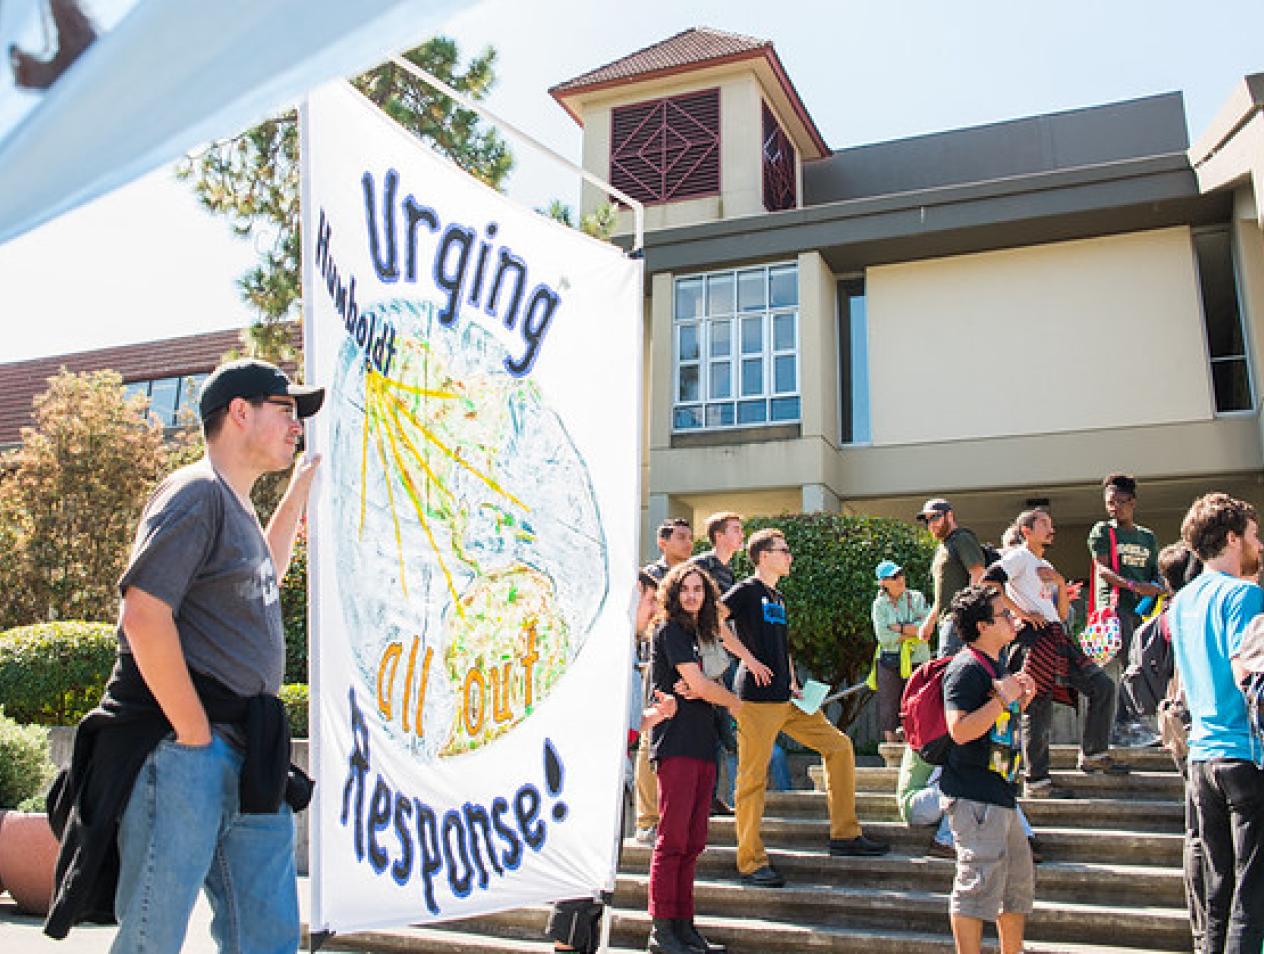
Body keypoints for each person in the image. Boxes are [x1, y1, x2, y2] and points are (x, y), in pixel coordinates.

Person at [44, 358, 324, 950]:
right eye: (287, 410)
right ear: (239, 412)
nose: (297, 424)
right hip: (187, 753)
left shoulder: (236, 506)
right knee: (154, 934)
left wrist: (300, 489)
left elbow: (266, 572)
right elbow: (143, 613)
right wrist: (194, 734)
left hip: (250, 754)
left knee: (267, 937)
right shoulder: (196, 493)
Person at [725, 528, 889, 889]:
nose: (790, 557)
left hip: (786, 698)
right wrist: (747, 659)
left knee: (839, 746)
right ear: (763, 555)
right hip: (755, 699)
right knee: (752, 780)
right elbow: (714, 620)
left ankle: (845, 834)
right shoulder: (746, 590)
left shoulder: (778, 597)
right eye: (783, 551)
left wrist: (793, 679)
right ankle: (750, 862)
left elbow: (780, 645)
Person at [548, 572, 678, 954]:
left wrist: (658, 713)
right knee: (582, 882)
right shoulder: (609, 651)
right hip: (594, 780)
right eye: (648, 601)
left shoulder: (626, 652)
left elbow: (627, 727)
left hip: (611, 776)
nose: (653, 611)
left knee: (598, 883)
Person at [1169, 493, 1264, 954]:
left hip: (1202, 759)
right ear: (1231, 538)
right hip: (1245, 756)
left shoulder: (1182, 600)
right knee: (1251, 896)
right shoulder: (1245, 595)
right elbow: (1248, 670)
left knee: (1218, 891)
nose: (1259, 545)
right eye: (1253, 535)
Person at [646, 563, 742, 954]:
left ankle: (685, 927)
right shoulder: (669, 630)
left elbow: (706, 683)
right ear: (673, 592)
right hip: (676, 743)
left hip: (704, 744)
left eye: (698, 590)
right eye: (684, 589)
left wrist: (707, 690)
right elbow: (700, 684)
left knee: (694, 840)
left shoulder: (702, 635)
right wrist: (736, 704)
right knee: (671, 841)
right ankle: (662, 929)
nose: (691, 596)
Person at [998, 509, 1128, 799]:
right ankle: (1036, 781)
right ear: (1026, 530)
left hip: (1056, 634)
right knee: (1036, 706)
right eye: (1044, 523)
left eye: (1051, 523)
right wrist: (1020, 613)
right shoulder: (1018, 556)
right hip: (1032, 638)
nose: (1051, 528)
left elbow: (1061, 612)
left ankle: (1093, 753)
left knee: (1102, 686)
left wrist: (1058, 582)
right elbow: (990, 582)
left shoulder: (1043, 562)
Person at [941, 585, 1038, 954]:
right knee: (974, 888)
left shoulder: (996, 665)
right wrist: (1002, 698)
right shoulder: (965, 668)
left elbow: (996, 725)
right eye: (1003, 615)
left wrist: (1018, 700)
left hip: (1001, 792)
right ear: (983, 626)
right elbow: (960, 730)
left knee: (1015, 888)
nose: (1013, 619)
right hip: (974, 796)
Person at [1147, 542, 1206, 952]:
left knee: (1196, 830)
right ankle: (1205, 929)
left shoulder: (1170, 614)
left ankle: (1204, 929)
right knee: (1201, 832)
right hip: (1198, 728)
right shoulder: (1190, 611)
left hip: (1178, 725)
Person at [1087, 473, 1164, 746]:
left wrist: (1157, 587)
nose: (1113, 508)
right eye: (1109, 502)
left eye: (1119, 502)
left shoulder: (1147, 537)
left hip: (1141, 610)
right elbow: (1103, 569)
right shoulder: (1103, 531)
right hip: (1115, 607)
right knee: (1130, 663)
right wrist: (1134, 585)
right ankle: (1125, 725)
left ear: (1131, 501)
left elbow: (1156, 571)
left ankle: (1127, 723)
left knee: (1138, 663)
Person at [636, 518, 695, 843]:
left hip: (687, 670)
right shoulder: (650, 578)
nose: (688, 544)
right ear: (663, 542)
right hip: (653, 666)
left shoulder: (693, 577)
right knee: (650, 737)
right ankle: (647, 819)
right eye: (682, 537)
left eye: (691, 538)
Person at [896, 744, 1040, 863]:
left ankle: (1024, 838)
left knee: (995, 785)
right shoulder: (937, 731)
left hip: (936, 800)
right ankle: (944, 841)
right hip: (915, 803)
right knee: (966, 782)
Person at [690, 511, 745, 816]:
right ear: (719, 536)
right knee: (713, 726)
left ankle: (713, 796)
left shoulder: (730, 574)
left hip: (722, 658)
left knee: (725, 729)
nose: (741, 535)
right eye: (736, 530)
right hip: (699, 659)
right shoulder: (701, 567)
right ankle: (706, 798)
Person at [916, 499, 987, 657]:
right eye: (926, 520)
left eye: (935, 517)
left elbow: (978, 574)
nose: (931, 524)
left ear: (949, 516)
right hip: (947, 621)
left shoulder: (962, 538)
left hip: (960, 621)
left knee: (950, 674)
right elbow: (943, 593)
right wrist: (929, 622)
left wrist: (968, 615)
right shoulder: (943, 547)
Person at [869, 560, 930, 743]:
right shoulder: (879, 605)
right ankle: (892, 753)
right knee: (889, 707)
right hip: (889, 660)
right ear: (883, 582)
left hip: (918, 658)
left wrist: (899, 629)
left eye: (901, 574)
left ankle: (917, 745)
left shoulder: (917, 597)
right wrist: (912, 631)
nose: (900, 579)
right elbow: (884, 637)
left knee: (918, 704)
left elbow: (926, 629)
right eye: (894, 577)